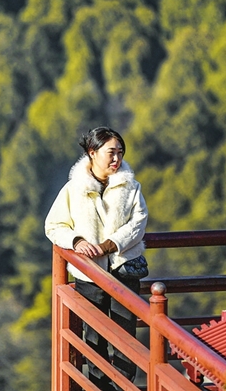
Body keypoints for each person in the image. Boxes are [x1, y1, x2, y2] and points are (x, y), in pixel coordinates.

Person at [45, 126, 148, 390]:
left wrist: (108, 246)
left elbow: (139, 223)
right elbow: (54, 226)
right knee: (93, 338)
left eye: (120, 153)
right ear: (92, 153)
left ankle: (124, 387)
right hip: (88, 274)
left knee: (125, 337)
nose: (117, 159)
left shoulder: (131, 187)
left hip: (123, 270)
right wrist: (76, 241)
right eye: (111, 152)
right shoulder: (73, 189)